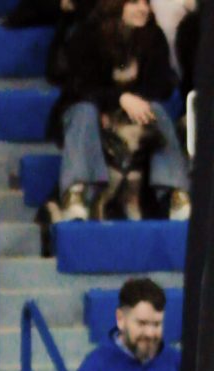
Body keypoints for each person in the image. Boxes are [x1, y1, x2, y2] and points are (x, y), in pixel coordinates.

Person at [48, 0, 191, 221]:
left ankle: (176, 193)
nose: (143, 8)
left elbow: (160, 86)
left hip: (132, 116)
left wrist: (130, 103)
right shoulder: (88, 35)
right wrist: (119, 99)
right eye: (134, 2)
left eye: (146, 2)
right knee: (85, 111)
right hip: (85, 111)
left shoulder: (153, 36)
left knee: (157, 111)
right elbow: (79, 87)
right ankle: (75, 192)